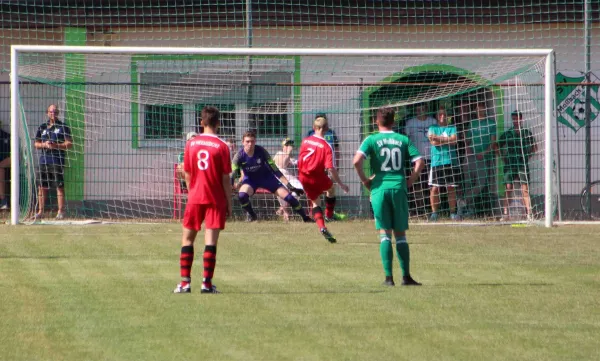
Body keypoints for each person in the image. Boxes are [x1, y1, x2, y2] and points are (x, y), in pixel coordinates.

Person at [353, 107, 424, 286]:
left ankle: (388, 278)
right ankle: (406, 277)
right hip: (399, 187)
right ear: (393, 122)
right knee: (400, 235)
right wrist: (410, 180)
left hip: (379, 189)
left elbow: (356, 161)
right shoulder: (403, 139)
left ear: (376, 121)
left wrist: (365, 181)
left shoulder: (371, 139)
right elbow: (420, 162)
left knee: (385, 233)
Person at [173, 106, 232, 294]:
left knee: (187, 239)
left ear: (201, 122)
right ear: (218, 124)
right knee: (210, 242)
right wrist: (229, 202)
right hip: (215, 199)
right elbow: (225, 179)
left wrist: (192, 193)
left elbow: (188, 173)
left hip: (195, 198)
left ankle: (185, 283)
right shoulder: (223, 147)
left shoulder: (191, 144)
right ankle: (206, 284)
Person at [232, 131, 310, 223]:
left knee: (289, 197)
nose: (250, 144)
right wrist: (231, 185)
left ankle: (306, 218)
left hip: (267, 178)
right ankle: (252, 216)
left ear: (255, 141)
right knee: (242, 196)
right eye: (247, 141)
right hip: (250, 181)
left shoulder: (261, 151)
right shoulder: (239, 156)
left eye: (252, 141)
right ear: (243, 142)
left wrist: (290, 186)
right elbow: (233, 174)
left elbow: (275, 170)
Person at [298, 115, 349, 243]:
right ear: (326, 128)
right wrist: (341, 184)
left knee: (315, 203)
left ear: (313, 127)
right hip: (317, 176)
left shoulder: (305, 141)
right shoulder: (326, 146)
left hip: (303, 176)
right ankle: (329, 215)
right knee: (331, 189)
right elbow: (330, 169)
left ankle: (322, 227)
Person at [33, 104, 73, 220]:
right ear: (47, 113)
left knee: (59, 186)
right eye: (51, 112)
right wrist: (44, 144)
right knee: (41, 186)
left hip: (57, 160)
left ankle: (60, 211)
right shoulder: (42, 127)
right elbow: (36, 144)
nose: (53, 114)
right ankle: (40, 211)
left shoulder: (63, 127)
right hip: (44, 161)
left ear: (58, 113)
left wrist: (56, 145)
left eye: (55, 112)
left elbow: (69, 143)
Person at [498, 110, 537, 221]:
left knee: (524, 189)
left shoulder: (526, 133)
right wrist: (503, 157)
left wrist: (526, 157)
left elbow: (534, 147)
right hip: (510, 165)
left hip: (521, 164)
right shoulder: (508, 133)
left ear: (521, 119)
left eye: (517, 119)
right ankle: (505, 214)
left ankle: (529, 213)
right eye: (513, 119)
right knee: (508, 188)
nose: (515, 121)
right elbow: (497, 145)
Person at [306, 113, 345, 221]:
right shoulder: (310, 134)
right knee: (315, 190)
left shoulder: (332, 133)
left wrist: (336, 164)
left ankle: (329, 214)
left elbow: (336, 149)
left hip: (328, 165)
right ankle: (314, 213)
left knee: (330, 188)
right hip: (315, 166)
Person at [464, 102, 498, 216]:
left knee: (481, 183)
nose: (480, 111)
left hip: (483, 158)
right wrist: (468, 150)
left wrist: (484, 153)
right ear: (475, 111)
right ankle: (469, 209)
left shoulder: (491, 123)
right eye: (477, 109)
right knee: (468, 183)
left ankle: (463, 201)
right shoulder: (472, 123)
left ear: (485, 110)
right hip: (471, 157)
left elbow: (493, 142)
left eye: (482, 109)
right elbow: (467, 141)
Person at [428, 107, 461, 221]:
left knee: (451, 188)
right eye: (440, 114)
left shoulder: (452, 128)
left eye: (444, 114)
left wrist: (438, 138)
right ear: (437, 116)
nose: (442, 116)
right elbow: (433, 142)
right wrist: (447, 139)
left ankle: (452, 213)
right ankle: (434, 213)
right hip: (437, 162)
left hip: (450, 161)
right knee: (435, 189)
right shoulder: (432, 128)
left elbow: (454, 141)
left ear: (448, 116)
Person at [404, 103, 436, 216]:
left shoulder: (433, 122)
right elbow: (406, 140)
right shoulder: (410, 123)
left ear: (426, 109)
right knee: (417, 185)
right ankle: (418, 209)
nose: (419, 111)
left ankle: (430, 209)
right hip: (416, 159)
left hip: (431, 158)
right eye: (417, 109)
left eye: (422, 109)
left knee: (430, 185)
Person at [273, 137, 303, 221]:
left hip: (288, 177)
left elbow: (298, 163)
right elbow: (282, 165)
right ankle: (285, 212)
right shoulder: (279, 153)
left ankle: (283, 208)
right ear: (283, 146)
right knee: (282, 192)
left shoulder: (290, 157)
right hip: (279, 178)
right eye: (287, 145)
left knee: (299, 189)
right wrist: (288, 153)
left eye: (290, 145)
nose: (289, 147)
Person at [0, 126, 9, 210]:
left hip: (3, 163)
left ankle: (3, 201)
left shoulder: (6, 136)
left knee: (0, 169)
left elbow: (13, 157)